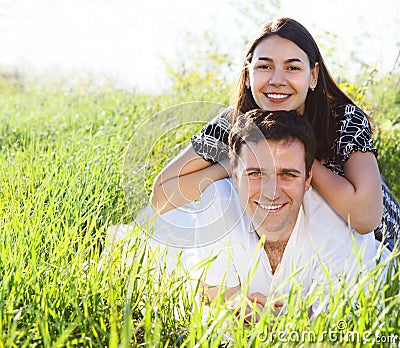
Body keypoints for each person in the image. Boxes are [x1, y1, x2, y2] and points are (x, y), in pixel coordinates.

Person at [151, 17, 399, 250]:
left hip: (372, 250)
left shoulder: (341, 119)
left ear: (312, 76)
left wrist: (296, 158)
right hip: (285, 251)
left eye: (292, 68)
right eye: (264, 66)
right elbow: (161, 197)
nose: (277, 80)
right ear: (248, 75)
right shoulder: (231, 123)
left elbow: (366, 218)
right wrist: (233, 165)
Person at [196, 109, 378, 317]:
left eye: (288, 174)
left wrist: (261, 322)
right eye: (256, 173)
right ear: (235, 176)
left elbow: (331, 334)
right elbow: (215, 305)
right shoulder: (218, 204)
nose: (271, 193)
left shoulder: (339, 228)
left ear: (309, 178)